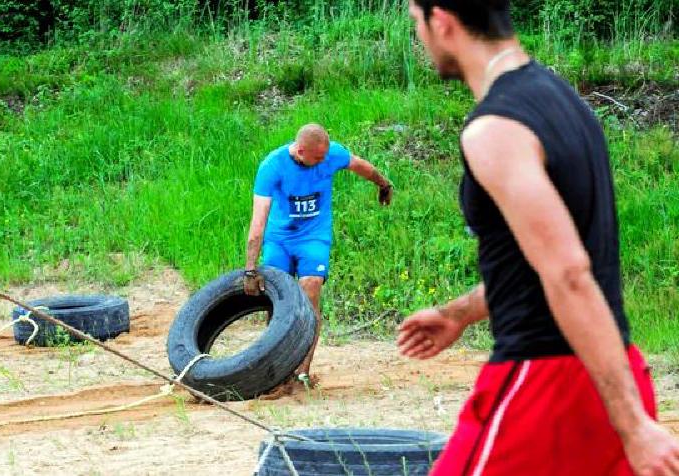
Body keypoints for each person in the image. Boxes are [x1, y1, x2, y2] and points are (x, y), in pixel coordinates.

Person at [397, 1, 679, 475]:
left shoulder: (495, 128)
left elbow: (567, 271)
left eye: (415, 22)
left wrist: (633, 427)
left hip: (547, 385)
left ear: (441, 19)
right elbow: (537, 260)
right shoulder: (566, 102)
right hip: (613, 368)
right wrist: (459, 313)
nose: (419, 38)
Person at [244, 123, 393, 385]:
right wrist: (249, 269)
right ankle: (276, 371)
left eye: (325, 156)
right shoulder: (272, 166)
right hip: (280, 238)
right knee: (278, 298)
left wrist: (384, 184)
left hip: (313, 236)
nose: (324, 161)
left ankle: (302, 371)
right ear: (301, 151)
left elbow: (362, 166)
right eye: (317, 158)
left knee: (310, 287)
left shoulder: (331, 154)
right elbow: (258, 224)